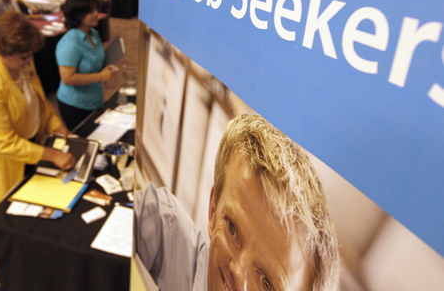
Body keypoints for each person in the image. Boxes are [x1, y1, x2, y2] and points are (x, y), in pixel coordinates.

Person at [134, 114, 340, 291]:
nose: (238, 272)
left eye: (267, 284)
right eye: (232, 229)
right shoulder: (164, 226)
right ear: (213, 209)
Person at [0, 12, 76, 210]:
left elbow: (38, 100)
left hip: (28, 147)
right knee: (5, 217)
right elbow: (5, 143)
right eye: (24, 56)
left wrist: (54, 124)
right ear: (4, 51)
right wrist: (53, 155)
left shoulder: (21, 62)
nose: (30, 60)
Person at [56, 0, 118, 130]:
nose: (96, 14)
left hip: (94, 98)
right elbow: (67, 78)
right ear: (77, 14)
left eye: (96, 9)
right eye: (90, 11)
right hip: (75, 104)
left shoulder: (93, 33)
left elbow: (96, 61)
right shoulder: (70, 42)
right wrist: (101, 76)